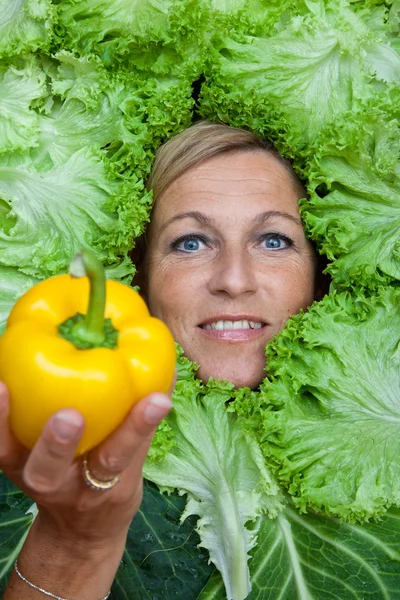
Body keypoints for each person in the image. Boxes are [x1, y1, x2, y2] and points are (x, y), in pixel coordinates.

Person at [2, 121, 323, 599]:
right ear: (140, 279)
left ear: (322, 277)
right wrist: (75, 543)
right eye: (190, 242)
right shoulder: (39, 447)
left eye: (273, 240)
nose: (234, 280)